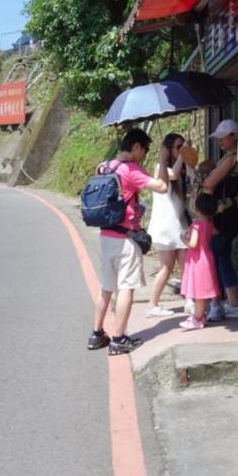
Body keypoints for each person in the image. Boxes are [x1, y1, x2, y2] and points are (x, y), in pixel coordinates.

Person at [87, 127, 168, 356]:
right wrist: (162, 161)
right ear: (135, 147)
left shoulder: (105, 165)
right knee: (126, 288)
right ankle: (119, 339)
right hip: (125, 238)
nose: (145, 155)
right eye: (145, 150)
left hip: (106, 235)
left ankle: (97, 334)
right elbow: (161, 188)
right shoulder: (131, 170)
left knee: (106, 288)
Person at [201, 120, 238, 322]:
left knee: (220, 259)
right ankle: (224, 304)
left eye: (223, 137)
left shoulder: (232, 158)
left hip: (222, 215)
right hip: (225, 213)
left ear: (234, 136)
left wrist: (206, 176)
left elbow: (209, 183)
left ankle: (231, 304)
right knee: (220, 258)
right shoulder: (230, 158)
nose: (219, 141)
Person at [146, 133, 189, 318]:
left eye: (182, 146)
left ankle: (190, 301)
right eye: (178, 147)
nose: (180, 150)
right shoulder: (160, 168)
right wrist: (183, 154)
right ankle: (153, 305)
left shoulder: (181, 167)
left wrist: (187, 156)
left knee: (186, 265)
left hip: (178, 224)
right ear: (169, 149)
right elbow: (174, 174)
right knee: (167, 267)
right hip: (166, 226)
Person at [180, 192, 221, 330]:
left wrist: (183, 239)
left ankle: (197, 319)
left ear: (196, 208)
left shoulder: (197, 225)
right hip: (206, 257)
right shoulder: (209, 223)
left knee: (199, 292)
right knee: (202, 290)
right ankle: (200, 316)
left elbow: (193, 244)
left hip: (197, 260)